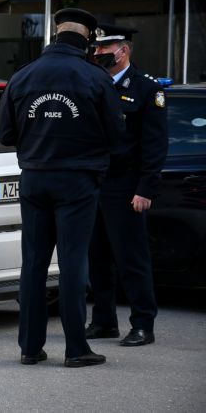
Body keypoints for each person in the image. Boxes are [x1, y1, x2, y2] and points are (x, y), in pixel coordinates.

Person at [0, 8, 125, 367]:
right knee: (72, 263)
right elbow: (117, 134)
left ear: (56, 35)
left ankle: (30, 347)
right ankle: (76, 348)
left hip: (34, 178)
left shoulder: (22, 76)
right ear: (87, 40)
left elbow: (5, 134)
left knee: (33, 264)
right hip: (77, 181)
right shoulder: (95, 78)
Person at [86, 25, 168, 346]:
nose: (98, 54)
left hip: (126, 186)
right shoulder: (94, 85)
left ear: (124, 50)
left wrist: (146, 188)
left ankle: (143, 323)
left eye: (105, 49)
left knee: (131, 258)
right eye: (96, 49)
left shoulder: (147, 89)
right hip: (95, 184)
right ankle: (104, 321)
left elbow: (154, 145)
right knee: (97, 258)